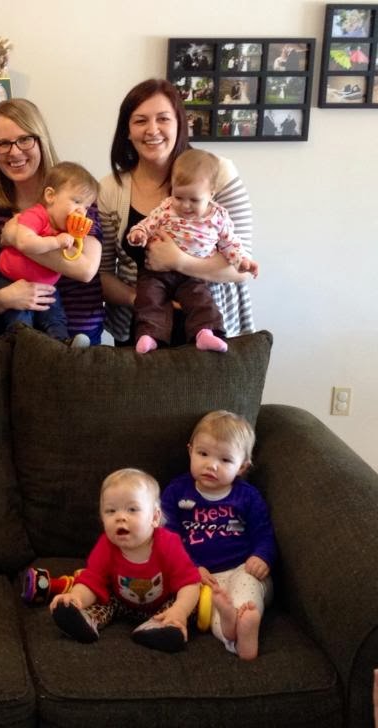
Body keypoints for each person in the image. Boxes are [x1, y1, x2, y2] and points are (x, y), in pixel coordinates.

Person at [98, 79, 255, 347]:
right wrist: (141, 299)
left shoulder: (219, 174)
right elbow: (102, 275)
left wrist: (178, 261)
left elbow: (241, 268)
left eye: (163, 119)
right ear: (127, 131)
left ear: (180, 124)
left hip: (213, 329)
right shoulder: (110, 189)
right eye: (140, 121)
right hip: (140, 331)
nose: (152, 130)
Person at [0, 99, 104, 345]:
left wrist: (17, 238)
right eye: (2, 144)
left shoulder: (78, 199)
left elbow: (85, 270)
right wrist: (4, 298)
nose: (14, 152)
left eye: (25, 139)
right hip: (14, 341)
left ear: (41, 140)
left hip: (76, 339)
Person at [161, 411, 276, 660]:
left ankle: (246, 620)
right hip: (202, 578)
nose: (211, 465)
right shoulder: (176, 492)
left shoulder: (248, 496)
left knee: (247, 590)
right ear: (190, 451)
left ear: (242, 467)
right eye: (203, 454)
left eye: (225, 459)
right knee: (210, 610)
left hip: (242, 567)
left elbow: (264, 532)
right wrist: (190, 567)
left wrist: (262, 556)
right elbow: (167, 537)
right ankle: (234, 638)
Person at [49, 468, 201, 653]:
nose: (120, 517)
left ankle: (162, 628)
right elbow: (91, 581)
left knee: (189, 602)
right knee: (103, 598)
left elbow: (190, 583)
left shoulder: (168, 544)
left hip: (163, 603)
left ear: (154, 517)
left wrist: (180, 610)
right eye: (111, 511)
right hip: (120, 602)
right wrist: (76, 597)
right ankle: (85, 621)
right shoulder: (106, 546)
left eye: (132, 509)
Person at [126, 149, 259, 354]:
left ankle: (205, 333)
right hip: (156, 273)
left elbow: (230, 245)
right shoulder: (166, 208)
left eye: (194, 200)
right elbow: (148, 224)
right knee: (149, 299)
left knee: (202, 302)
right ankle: (149, 335)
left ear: (211, 194)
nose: (185, 205)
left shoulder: (218, 217)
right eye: (178, 197)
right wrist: (139, 234)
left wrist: (242, 262)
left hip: (192, 276)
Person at [0, 161, 99, 345]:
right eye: (76, 201)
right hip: (12, 281)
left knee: (55, 319)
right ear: (50, 196)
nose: (81, 211)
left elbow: (85, 266)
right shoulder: (36, 215)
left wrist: (75, 238)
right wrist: (56, 242)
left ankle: (63, 345)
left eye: (86, 207)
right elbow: (24, 242)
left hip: (46, 286)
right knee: (20, 321)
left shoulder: (65, 229)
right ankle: (22, 349)